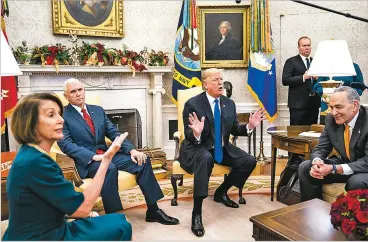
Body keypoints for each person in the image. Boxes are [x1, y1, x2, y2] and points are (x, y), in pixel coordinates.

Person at [3, 93, 132, 240]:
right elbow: (82, 208)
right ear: (30, 123)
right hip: (43, 237)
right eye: (51, 115)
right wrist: (106, 159)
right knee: (122, 225)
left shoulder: (31, 153)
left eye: (59, 114)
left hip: (51, 228)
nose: (61, 120)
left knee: (117, 221)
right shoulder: (36, 162)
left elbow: (52, 200)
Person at [57, 78, 179, 225]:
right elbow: (66, 145)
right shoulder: (63, 116)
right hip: (88, 161)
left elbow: (114, 133)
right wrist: (93, 156)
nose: (78, 94)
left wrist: (132, 150)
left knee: (143, 160)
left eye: (80, 90)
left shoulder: (97, 110)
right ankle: (113, 216)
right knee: (109, 168)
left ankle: (153, 210)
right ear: (66, 96)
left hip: (107, 154)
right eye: (73, 91)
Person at [179, 68, 265, 237]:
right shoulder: (193, 104)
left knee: (249, 161)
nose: (220, 83)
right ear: (205, 84)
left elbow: (233, 129)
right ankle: (197, 213)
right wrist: (196, 132)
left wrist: (249, 126)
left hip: (221, 147)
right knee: (205, 158)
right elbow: (189, 135)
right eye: (215, 80)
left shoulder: (228, 103)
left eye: (221, 79)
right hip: (198, 147)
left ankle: (221, 192)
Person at [298, 87, 368, 202]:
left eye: (338, 107)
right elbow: (322, 147)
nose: (333, 112)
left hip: (365, 170)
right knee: (305, 168)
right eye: (331, 107)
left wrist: (335, 168)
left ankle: (350, 219)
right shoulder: (331, 119)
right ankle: (312, 214)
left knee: (356, 182)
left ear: (355, 106)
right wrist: (317, 161)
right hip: (347, 164)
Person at [282, 36, 320, 125]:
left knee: (311, 133)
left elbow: (321, 82)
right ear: (299, 48)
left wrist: (317, 78)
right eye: (304, 45)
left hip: (313, 104)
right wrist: (303, 77)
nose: (307, 47)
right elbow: (285, 80)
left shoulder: (315, 62)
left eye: (308, 45)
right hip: (298, 105)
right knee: (296, 134)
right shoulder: (291, 61)